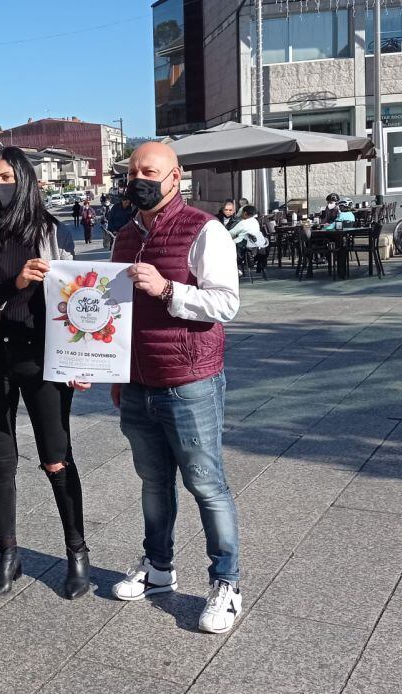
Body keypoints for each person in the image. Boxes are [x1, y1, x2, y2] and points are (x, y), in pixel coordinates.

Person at [109, 142, 243, 634]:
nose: (140, 179)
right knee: (153, 483)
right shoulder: (123, 237)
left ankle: (226, 582)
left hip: (190, 382)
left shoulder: (205, 230)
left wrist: (167, 289)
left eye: (151, 171)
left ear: (175, 177)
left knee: (207, 484)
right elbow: (115, 317)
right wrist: (113, 373)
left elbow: (226, 304)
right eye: (133, 172)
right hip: (139, 382)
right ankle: (158, 567)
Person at [0, 146, 92, 601]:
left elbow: (77, 297)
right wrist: (12, 285)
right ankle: (7, 554)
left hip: (43, 360)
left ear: (26, 179)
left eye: (7, 177)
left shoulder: (53, 232)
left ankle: (77, 552)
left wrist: (82, 359)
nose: (0, 186)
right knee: (0, 462)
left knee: (56, 458)